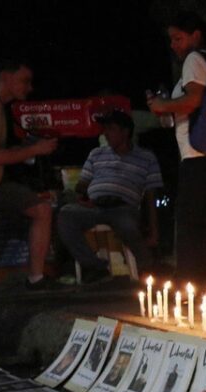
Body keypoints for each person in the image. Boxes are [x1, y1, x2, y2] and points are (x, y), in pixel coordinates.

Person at [147, 11, 206, 282]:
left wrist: (162, 105)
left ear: (196, 35)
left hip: (198, 154)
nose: (174, 45)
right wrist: (168, 112)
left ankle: (189, 283)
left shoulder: (194, 59)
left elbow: (193, 100)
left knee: (188, 221)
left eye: (178, 38)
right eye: (171, 40)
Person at [0, 58, 61, 291]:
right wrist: (35, 149)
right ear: (6, 76)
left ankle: (36, 278)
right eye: (24, 81)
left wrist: (27, 148)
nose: (29, 88)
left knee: (41, 209)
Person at [55, 110, 162, 284]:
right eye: (105, 129)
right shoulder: (96, 154)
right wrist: (86, 193)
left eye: (111, 129)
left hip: (123, 207)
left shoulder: (145, 157)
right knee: (65, 215)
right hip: (95, 205)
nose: (106, 133)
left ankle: (147, 267)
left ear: (125, 132)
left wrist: (154, 232)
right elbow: (82, 185)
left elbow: (151, 194)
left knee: (126, 224)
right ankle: (95, 266)